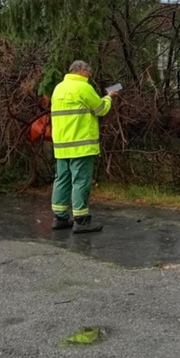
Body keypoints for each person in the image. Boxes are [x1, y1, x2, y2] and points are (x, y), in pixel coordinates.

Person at [49, 60, 118, 233]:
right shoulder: (83, 88)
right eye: (88, 72)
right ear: (81, 71)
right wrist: (109, 97)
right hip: (81, 145)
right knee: (81, 181)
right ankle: (81, 220)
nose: (89, 75)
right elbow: (100, 109)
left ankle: (60, 217)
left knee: (62, 180)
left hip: (62, 145)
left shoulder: (59, 88)